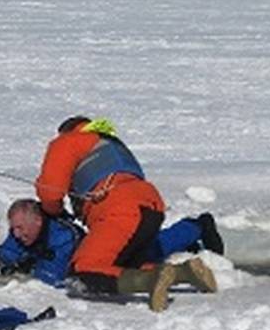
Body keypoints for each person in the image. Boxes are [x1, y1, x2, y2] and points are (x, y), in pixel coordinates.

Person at [34, 116, 218, 311]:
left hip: (120, 209)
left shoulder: (68, 141)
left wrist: (53, 211)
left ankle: (151, 281)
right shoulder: (110, 144)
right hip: (149, 204)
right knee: (123, 266)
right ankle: (183, 272)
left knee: (82, 271)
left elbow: (50, 191)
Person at [0, 198, 224, 287]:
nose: (17, 234)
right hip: (99, 252)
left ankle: (198, 225)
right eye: (14, 229)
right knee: (156, 247)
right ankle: (191, 237)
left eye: (20, 228)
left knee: (154, 249)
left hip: (108, 254)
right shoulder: (24, 232)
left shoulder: (63, 237)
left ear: (37, 222)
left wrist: (30, 267)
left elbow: (61, 275)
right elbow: (12, 249)